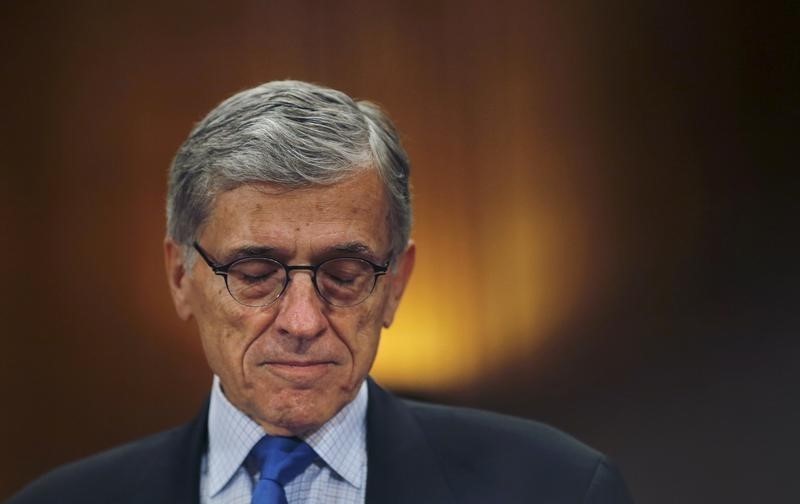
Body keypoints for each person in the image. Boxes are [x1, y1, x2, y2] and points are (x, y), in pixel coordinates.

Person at [8, 80, 634, 503]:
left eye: (344, 274)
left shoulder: (557, 488)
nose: (303, 321)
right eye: (255, 273)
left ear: (396, 285)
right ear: (181, 277)